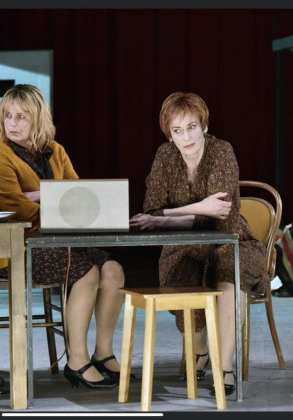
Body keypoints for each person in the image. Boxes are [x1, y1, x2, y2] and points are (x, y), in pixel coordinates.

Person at [0, 84, 125, 389]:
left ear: (38, 118)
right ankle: (77, 361)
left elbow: (80, 198)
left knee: (113, 270)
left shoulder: (55, 150)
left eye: (22, 116)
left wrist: (40, 196)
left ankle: (102, 352)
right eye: (8, 116)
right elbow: (19, 212)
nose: (13, 123)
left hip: (57, 243)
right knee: (86, 271)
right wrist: (54, 198)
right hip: (14, 249)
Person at [129, 92, 267, 396]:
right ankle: (201, 349)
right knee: (181, 276)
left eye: (192, 127)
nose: (186, 137)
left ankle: (224, 367)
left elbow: (220, 214)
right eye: (177, 131)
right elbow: (151, 209)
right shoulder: (165, 156)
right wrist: (199, 207)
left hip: (233, 238)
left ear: (204, 125)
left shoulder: (221, 151)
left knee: (230, 272)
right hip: (184, 245)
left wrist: (167, 216)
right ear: (170, 135)